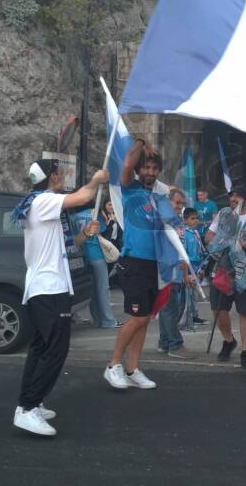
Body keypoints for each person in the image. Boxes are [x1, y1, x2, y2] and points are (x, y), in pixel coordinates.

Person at [11, 159, 109, 436]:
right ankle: (28, 408)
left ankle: (29, 404)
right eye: (60, 173)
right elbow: (84, 196)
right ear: (52, 177)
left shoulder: (41, 205)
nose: (63, 176)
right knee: (55, 350)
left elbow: (66, 244)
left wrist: (83, 235)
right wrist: (96, 179)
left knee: (42, 348)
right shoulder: (43, 201)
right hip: (49, 289)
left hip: (48, 288)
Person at [103, 139, 168, 391]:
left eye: (154, 169)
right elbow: (128, 164)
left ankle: (132, 368)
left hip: (153, 264)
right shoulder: (130, 188)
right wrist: (141, 143)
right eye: (147, 168)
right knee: (137, 317)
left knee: (145, 319)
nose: (150, 173)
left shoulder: (159, 195)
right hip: (133, 263)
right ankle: (113, 365)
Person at [204, 185, 246, 369]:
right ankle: (228, 340)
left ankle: (245, 351)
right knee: (218, 310)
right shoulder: (223, 214)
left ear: (245, 199)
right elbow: (209, 236)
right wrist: (223, 242)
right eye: (231, 197)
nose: (232, 200)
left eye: (236, 197)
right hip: (222, 270)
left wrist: (243, 245)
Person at [156, 190, 197, 359]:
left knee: (170, 307)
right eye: (177, 203)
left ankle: (164, 342)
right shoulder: (161, 220)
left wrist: (185, 273)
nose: (180, 207)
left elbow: (181, 248)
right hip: (165, 269)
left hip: (177, 270)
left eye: (182, 204)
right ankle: (175, 344)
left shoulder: (177, 222)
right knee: (169, 308)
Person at [73, 206, 120, 329]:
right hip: (96, 254)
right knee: (103, 289)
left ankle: (97, 319)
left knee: (93, 290)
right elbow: (103, 230)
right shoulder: (93, 214)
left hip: (82, 255)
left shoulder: (73, 216)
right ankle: (108, 320)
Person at [100, 200, 124, 288]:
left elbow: (119, 233)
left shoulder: (117, 216)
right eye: (109, 204)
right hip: (106, 243)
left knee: (115, 263)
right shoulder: (103, 216)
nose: (111, 207)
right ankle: (106, 283)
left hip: (115, 243)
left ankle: (111, 282)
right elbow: (104, 233)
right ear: (105, 206)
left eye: (113, 205)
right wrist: (111, 222)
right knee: (108, 263)